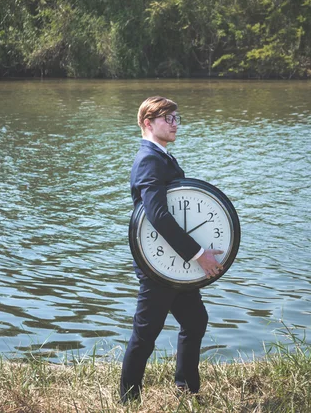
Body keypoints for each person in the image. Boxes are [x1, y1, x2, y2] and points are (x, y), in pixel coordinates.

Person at [120, 96, 223, 403]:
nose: (175, 124)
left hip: (173, 263)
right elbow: (158, 216)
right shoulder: (150, 160)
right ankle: (128, 400)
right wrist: (199, 254)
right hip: (159, 266)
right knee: (145, 336)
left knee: (195, 321)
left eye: (177, 118)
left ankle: (187, 389)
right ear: (148, 123)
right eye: (168, 119)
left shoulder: (162, 156)